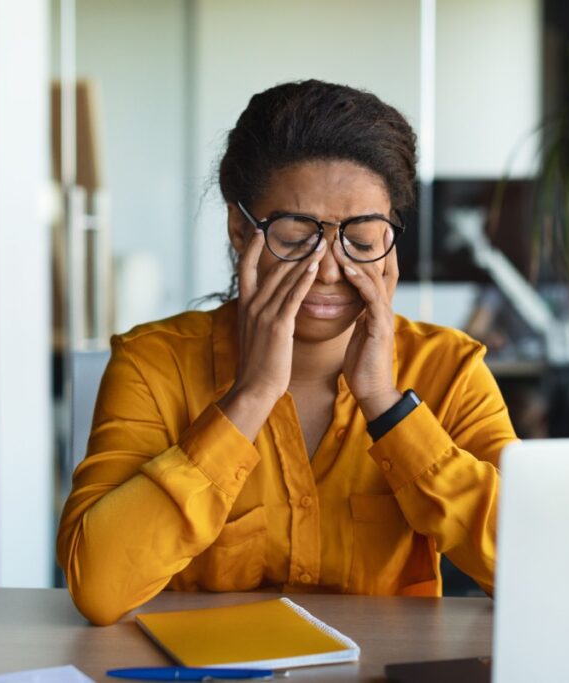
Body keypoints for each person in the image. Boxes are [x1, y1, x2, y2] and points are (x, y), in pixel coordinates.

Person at [57, 80, 518, 626]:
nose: (326, 268)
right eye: (296, 236)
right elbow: (99, 587)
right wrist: (250, 397)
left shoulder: (449, 369)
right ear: (239, 228)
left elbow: (534, 567)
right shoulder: (153, 364)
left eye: (363, 241)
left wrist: (386, 404)